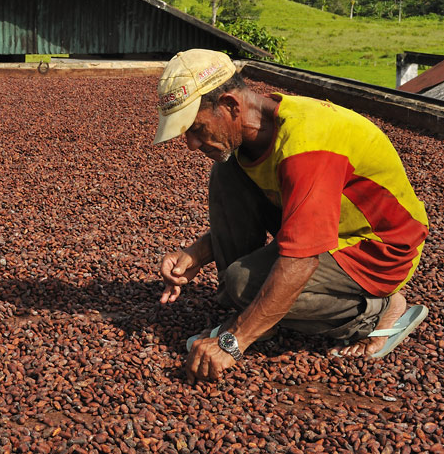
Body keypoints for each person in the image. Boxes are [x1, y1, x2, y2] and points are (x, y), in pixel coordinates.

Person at [153, 49, 429, 383]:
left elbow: (301, 260)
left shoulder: (307, 146)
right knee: (227, 172)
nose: (191, 144)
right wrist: (197, 253)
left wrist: (233, 341)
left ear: (230, 105)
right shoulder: (256, 129)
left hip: (377, 247)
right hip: (326, 225)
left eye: (196, 128)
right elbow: (289, 216)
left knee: (242, 283)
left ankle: (377, 311)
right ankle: (257, 314)